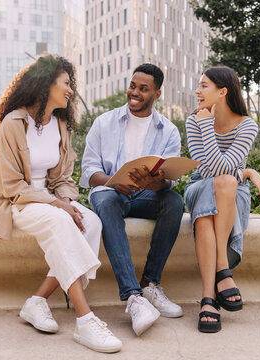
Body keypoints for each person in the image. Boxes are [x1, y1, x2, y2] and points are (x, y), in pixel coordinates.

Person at [0, 54, 122, 353]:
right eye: (66, 83)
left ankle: (37, 301)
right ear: (46, 84)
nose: (71, 90)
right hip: (20, 201)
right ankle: (85, 320)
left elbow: (64, 179)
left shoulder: (61, 125)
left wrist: (67, 202)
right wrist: (58, 207)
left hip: (52, 199)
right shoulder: (13, 122)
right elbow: (12, 185)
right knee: (60, 221)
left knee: (91, 222)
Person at [80, 63, 184, 336]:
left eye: (143, 89)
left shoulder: (169, 131)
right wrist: (113, 181)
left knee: (173, 202)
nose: (134, 93)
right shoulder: (104, 122)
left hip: (147, 195)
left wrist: (156, 182)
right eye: (132, 86)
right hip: (112, 192)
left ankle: (150, 284)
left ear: (157, 94)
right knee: (106, 203)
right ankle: (133, 297)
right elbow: (89, 171)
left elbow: (170, 178)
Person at [184, 66, 260, 333]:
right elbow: (207, 170)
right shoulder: (193, 120)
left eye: (203, 86)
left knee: (208, 212)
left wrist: (207, 127)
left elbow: (221, 170)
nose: (197, 91)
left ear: (222, 91)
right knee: (225, 181)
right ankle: (224, 271)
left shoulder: (247, 125)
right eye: (198, 86)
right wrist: (245, 171)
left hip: (234, 194)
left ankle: (208, 298)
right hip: (199, 186)